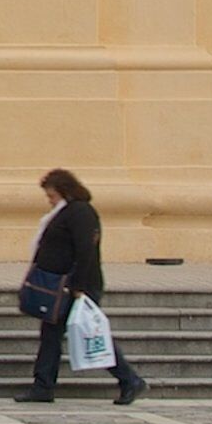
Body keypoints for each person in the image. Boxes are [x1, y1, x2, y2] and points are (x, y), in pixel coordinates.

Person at [16, 168, 144, 405]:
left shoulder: (81, 213)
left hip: (75, 287)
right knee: (51, 335)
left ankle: (129, 379)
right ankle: (43, 386)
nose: (50, 200)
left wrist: (78, 286)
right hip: (62, 287)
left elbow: (86, 251)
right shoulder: (66, 212)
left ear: (64, 191)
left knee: (89, 333)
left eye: (51, 195)